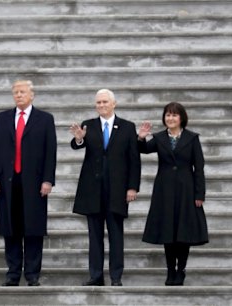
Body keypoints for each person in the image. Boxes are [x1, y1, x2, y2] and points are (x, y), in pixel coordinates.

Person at [0, 80, 57, 287]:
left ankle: (33, 274)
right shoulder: (2, 118)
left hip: (35, 183)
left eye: (22, 92)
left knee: (33, 229)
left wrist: (48, 179)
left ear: (32, 95)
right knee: (11, 228)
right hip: (8, 182)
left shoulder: (44, 119)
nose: (18, 95)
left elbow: (50, 152)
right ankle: (13, 273)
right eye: (15, 92)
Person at [70, 89, 141, 286]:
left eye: (104, 102)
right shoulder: (89, 125)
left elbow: (134, 160)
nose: (101, 105)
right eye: (98, 103)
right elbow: (77, 145)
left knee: (116, 235)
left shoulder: (127, 127)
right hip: (92, 190)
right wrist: (79, 138)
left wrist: (132, 187)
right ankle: (96, 276)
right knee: (95, 236)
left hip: (117, 190)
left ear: (114, 104)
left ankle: (116, 276)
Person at [137, 101, 208, 286]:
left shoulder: (192, 138)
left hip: (187, 189)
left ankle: (181, 269)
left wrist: (199, 194)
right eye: (168, 115)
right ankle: (170, 271)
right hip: (165, 189)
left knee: (183, 231)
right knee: (168, 230)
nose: (170, 118)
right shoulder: (160, 138)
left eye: (174, 115)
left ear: (181, 118)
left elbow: (199, 167)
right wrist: (141, 138)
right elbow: (142, 149)